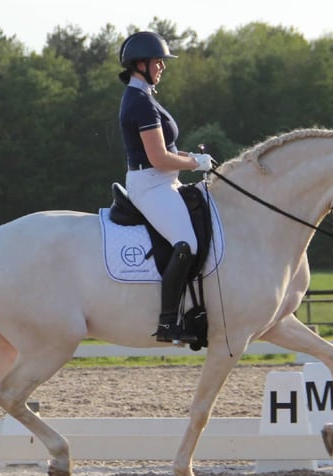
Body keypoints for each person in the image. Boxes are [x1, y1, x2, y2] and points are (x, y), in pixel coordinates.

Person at [117, 31, 214, 344]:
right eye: (159, 61)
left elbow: (168, 149)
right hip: (152, 184)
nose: (163, 67)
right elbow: (158, 158)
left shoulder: (145, 97)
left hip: (163, 181)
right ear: (140, 64)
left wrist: (191, 157)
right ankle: (168, 323)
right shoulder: (140, 102)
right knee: (187, 243)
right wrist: (194, 164)